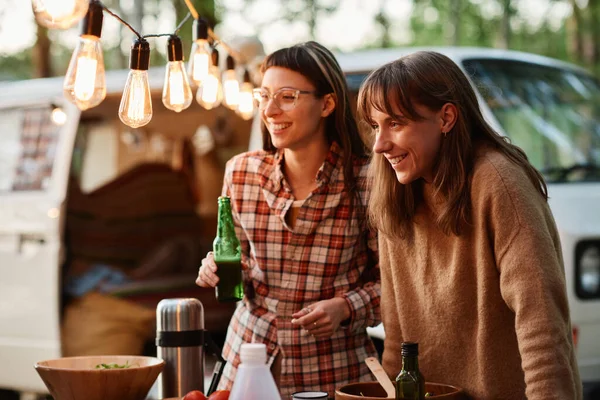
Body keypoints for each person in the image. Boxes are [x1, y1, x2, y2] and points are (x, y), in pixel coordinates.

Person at [357, 51, 582, 400]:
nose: (380, 144)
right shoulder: (394, 193)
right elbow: (397, 338)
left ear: (446, 117)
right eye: (375, 126)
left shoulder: (499, 182)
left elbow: (542, 323)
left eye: (395, 124)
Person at [196, 41, 380, 398]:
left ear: (327, 103)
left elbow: (399, 285)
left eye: (287, 97)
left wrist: (346, 307)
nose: (270, 110)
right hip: (246, 362)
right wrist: (217, 266)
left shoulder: (368, 180)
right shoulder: (242, 172)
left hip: (334, 372)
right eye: (264, 96)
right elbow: (240, 259)